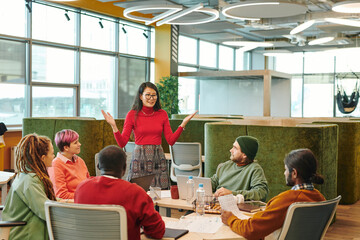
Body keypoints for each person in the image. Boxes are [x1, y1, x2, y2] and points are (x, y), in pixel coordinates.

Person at [101, 81, 197, 189]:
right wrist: (114, 126)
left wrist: (183, 124)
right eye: (148, 95)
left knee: (162, 192)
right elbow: (122, 142)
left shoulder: (162, 114)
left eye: (154, 95)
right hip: (139, 158)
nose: (151, 98)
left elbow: (171, 140)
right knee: (137, 192)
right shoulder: (132, 114)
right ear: (141, 96)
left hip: (158, 158)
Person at [221, 148, 326, 240]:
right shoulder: (320, 198)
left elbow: (251, 230)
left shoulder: (288, 199)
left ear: (294, 173)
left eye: (285, 169)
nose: (284, 173)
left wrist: (231, 219)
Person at [74, 145, 165, 240]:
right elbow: (157, 231)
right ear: (125, 168)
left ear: (98, 166)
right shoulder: (135, 192)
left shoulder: (81, 188)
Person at [2, 134, 56, 240]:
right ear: (43, 158)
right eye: (52, 153)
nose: (54, 156)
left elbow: (44, 200)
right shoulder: (31, 182)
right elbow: (46, 211)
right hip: (26, 235)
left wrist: (66, 202)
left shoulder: (25, 174)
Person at [211, 136, 268, 202]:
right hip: (217, 205)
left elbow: (261, 193)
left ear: (244, 155)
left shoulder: (255, 169)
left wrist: (232, 194)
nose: (231, 150)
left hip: (237, 208)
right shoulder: (225, 166)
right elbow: (213, 182)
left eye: (235, 148)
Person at [48, 129, 89, 200]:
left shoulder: (80, 161)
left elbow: (89, 183)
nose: (79, 144)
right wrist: (85, 197)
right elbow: (61, 195)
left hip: (84, 202)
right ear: (66, 147)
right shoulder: (56, 165)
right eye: (75, 143)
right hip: (71, 206)